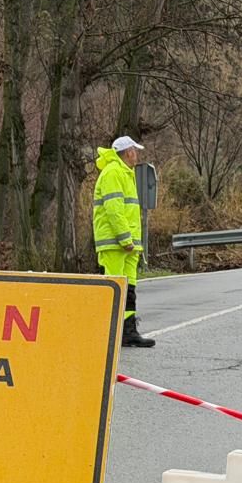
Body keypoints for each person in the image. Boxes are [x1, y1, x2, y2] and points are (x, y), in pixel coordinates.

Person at [93, 134, 154, 348]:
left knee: (128, 288)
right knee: (114, 286)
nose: (136, 155)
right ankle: (108, 331)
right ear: (128, 152)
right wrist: (125, 238)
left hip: (127, 245)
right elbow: (114, 210)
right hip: (115, 243)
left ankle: (128, 331)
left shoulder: (124, 173)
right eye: (134, 151)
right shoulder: (113, 173)